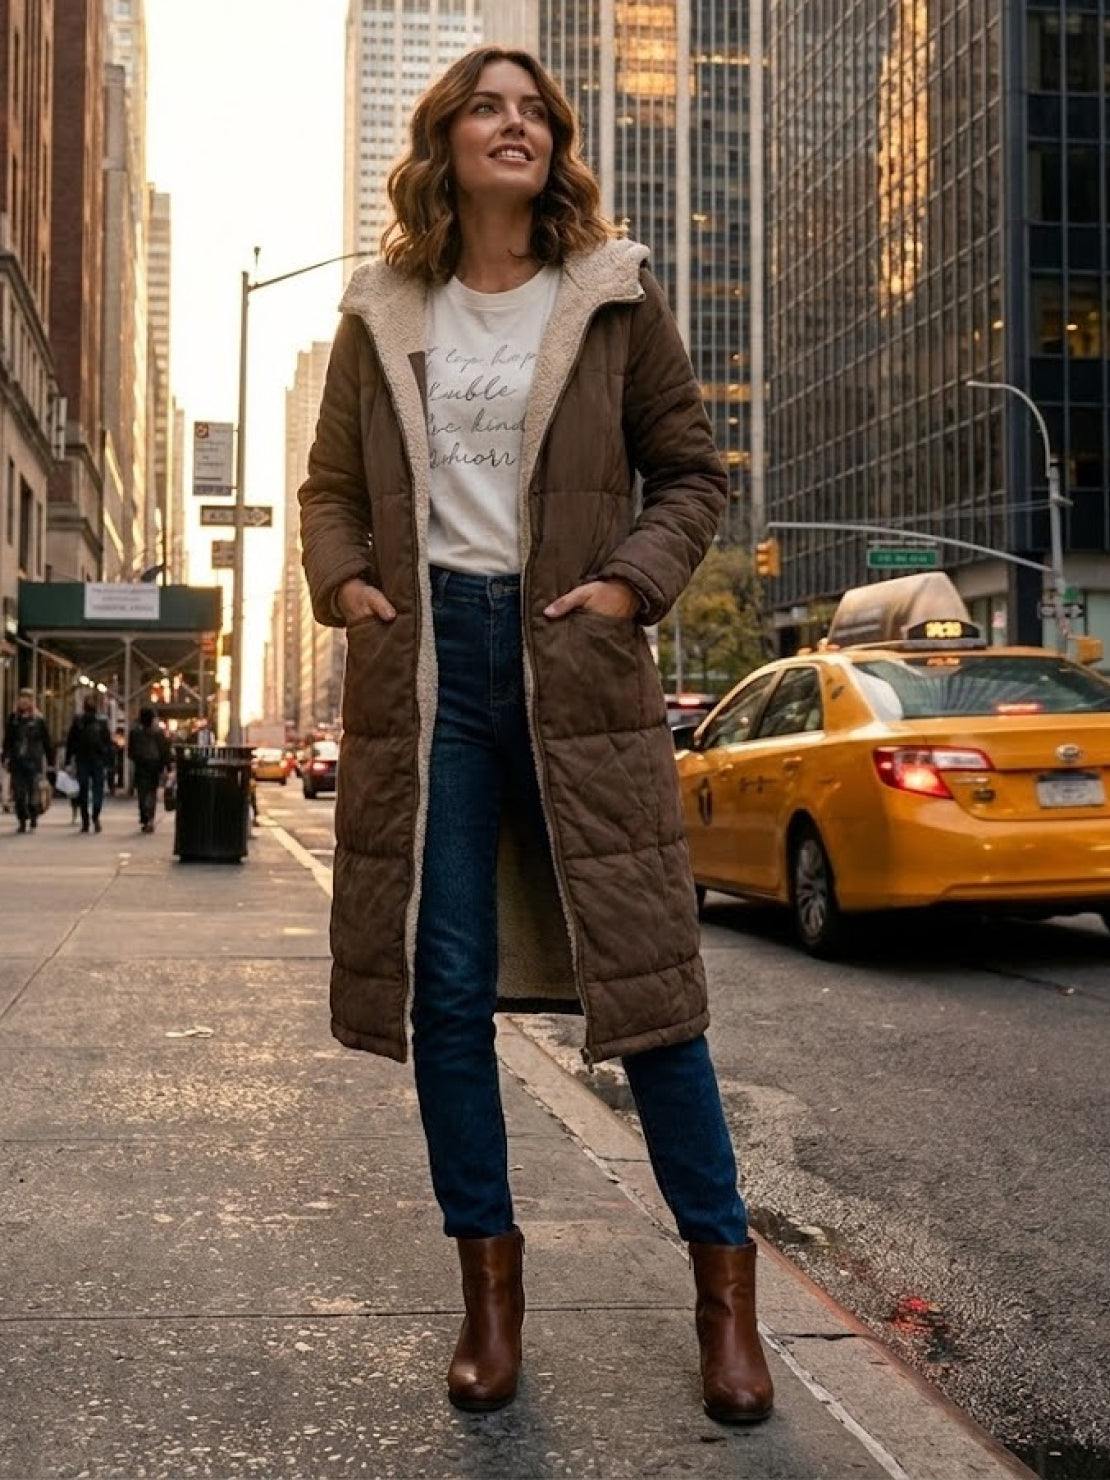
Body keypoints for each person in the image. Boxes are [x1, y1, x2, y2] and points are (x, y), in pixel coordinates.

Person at [298, 47, 773, 1424]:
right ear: (444, 143)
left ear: (552, 144)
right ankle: (489, 1305)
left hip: (571, 657)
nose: (513, 126)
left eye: (532, 111)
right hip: (430, 675)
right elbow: (329, 488)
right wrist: (351, 589)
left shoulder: (610, 291)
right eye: (485, 109)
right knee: (444, 994)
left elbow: (690, 470)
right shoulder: (382, 309)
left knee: (649, 994)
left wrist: (628, 584)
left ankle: (722, 1292)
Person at [2, 689, 52, 834]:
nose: (23, 701)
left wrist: (50, 760)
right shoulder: (13, 719)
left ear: (32, 701)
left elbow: (46, 741)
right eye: (21, 698)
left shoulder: (38, 720)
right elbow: (8, 740)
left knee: (33, 792)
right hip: (17, 761)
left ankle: (34, 815)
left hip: (33, 761)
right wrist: (5, 757)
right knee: (19, 793)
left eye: (27, 698)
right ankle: (22, 820)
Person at [65, 695, 114, 834]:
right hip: (90, 759)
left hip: (88, 759)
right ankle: (91, 817)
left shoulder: (80, 721)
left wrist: (68, 760)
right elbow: (108, 743)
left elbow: (71, 741)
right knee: (90, 789)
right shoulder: (98, 722)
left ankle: (90, 817)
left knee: (86, 789)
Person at [128, 707, 170, 833]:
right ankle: (150, 818)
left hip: (141, 765)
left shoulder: (134, 732)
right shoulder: (158, 733)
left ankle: (144, 815)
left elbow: (131, 751)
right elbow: (164, 750)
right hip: (154, 765)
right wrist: (166, 765)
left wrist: (135, 758)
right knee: (151, 792)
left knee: (142, 792)